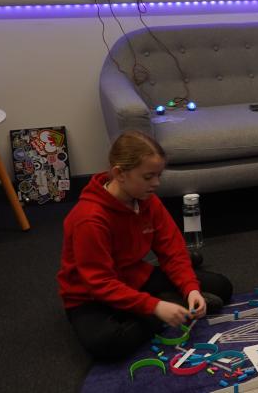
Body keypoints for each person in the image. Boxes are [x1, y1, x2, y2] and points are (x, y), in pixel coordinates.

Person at [57, 130, 233, 361]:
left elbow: (172, 250)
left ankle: (170, 302)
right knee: (108, 344)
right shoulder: (89, 219)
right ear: (120, 173)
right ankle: (165, 305)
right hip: (90, 295)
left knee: (221, 286)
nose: (157, 183)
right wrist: (154, 307)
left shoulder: (147, 200)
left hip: (132, 275)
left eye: (159, 175)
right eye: (148, 177)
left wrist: (190, 288)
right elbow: (99, 283)